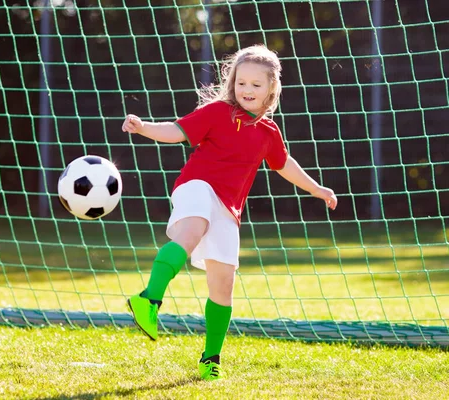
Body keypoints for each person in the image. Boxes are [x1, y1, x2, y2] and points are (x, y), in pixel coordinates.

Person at [121, 44, 338, 381]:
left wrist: (318, 189)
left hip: (229, 207)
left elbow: (285, 165)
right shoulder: (217, 112)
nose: (247, 90)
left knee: (223, 284)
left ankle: (210, 359)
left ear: (270, 89)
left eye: (255, 85)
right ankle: (149, 299)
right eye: (241, 83)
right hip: (197, 186)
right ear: (231, 83)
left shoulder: (269, 133)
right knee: (190, 232)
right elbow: (176, 131)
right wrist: (143, 127)